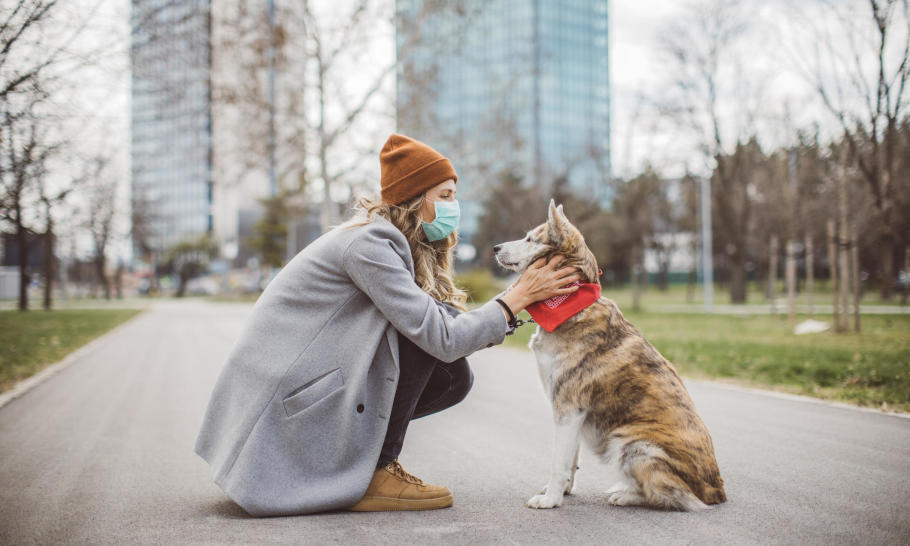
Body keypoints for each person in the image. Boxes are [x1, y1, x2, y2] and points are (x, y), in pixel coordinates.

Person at [194, 134, 581, 517]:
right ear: (415, 199)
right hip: (278, 412)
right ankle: (376, 470)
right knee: (421, 339)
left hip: (298, 395)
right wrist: (516, 297)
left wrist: (516, 307)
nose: (454, 206)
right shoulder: (369, 244)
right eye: (444, 196)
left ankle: (359, 461)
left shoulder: (389, 243)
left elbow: (446, 330)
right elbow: (439, 337)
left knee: (452, 376)